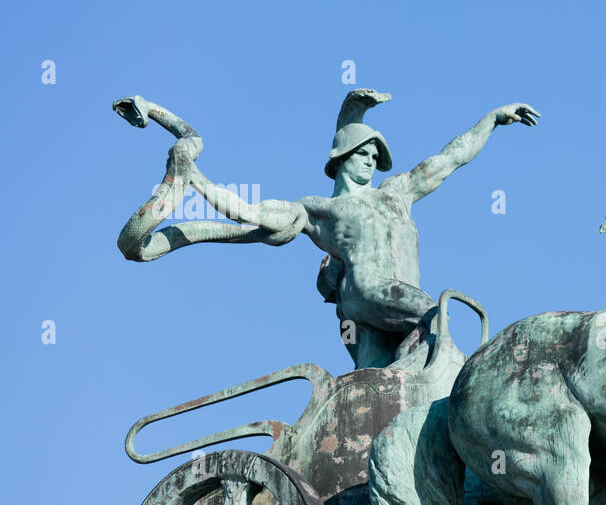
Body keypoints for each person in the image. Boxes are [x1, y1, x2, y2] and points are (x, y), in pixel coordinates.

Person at [114, 89, 539, 368]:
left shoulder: (398, 191)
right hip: (370, 290)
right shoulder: (316, 208)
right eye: (363, 152)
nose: (372, 159)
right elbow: (249, 213)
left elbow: (450, 159)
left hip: (378, 309)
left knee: (374, 382)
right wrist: (195, 179)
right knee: (436, 318)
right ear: (341, 157)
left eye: (377, 153)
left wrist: (492, 119)